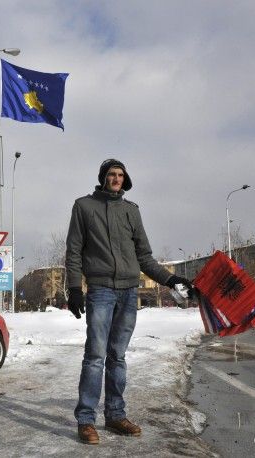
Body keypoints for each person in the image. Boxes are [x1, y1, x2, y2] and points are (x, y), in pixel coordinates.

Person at [65, 159, 191, 444]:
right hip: (100, 291)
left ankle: (115, 415)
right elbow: (73, 251)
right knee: (95, 356)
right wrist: (74, 288)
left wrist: (171, 280)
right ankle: (86, 420)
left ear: (125, 179)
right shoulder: (83, 207)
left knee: (118, 356)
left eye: (121, 175)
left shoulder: (131, 211)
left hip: (128, 292)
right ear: (103, 177)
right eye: (112, 174)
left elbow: (144, 257)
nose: (116, 178)